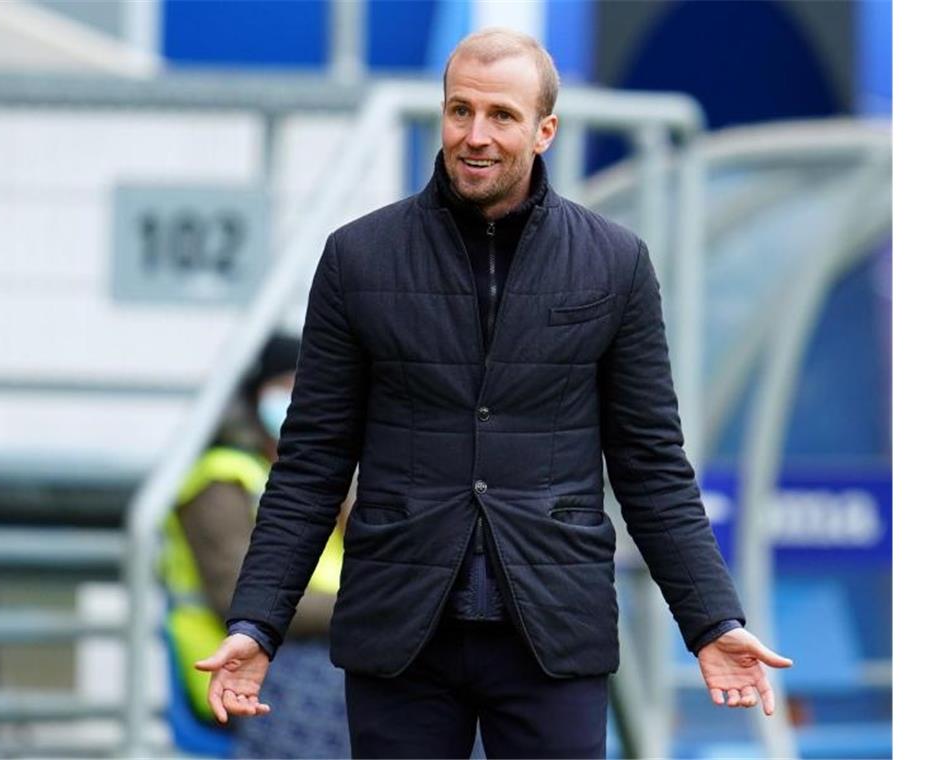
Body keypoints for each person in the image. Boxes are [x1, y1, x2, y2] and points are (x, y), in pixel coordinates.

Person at [195, 28, 793, 758]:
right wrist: (257, 623)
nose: (476, 136)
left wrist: (710, 622)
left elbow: (651, 465)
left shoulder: (614, 264)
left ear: (544, 131)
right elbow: (311, 463)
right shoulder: (358, 258)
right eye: (460, 111)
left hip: (552, 628)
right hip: (400, 632)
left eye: (502, 116)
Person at [164, 335, 351, 758]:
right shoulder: (222, 479)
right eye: (283, 387)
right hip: (239, 661)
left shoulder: (330, 477)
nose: (296, 400)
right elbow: (237, 598)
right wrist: (362, 608)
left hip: (325, 645)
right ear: (253, 398)